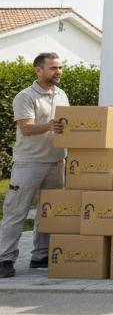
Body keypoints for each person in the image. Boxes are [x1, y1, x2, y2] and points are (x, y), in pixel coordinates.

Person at [1, 53, 69, 278]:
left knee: (48, 212)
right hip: (29, 162)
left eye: (59, 67)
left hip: (57, 161)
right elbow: (27, 128)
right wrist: (49, 126)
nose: (58, 72)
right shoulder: (25, 96)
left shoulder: (62, 95)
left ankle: (40, 255)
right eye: (53, 68)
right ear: (38, 70)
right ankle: (5, 259)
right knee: (15, 210)